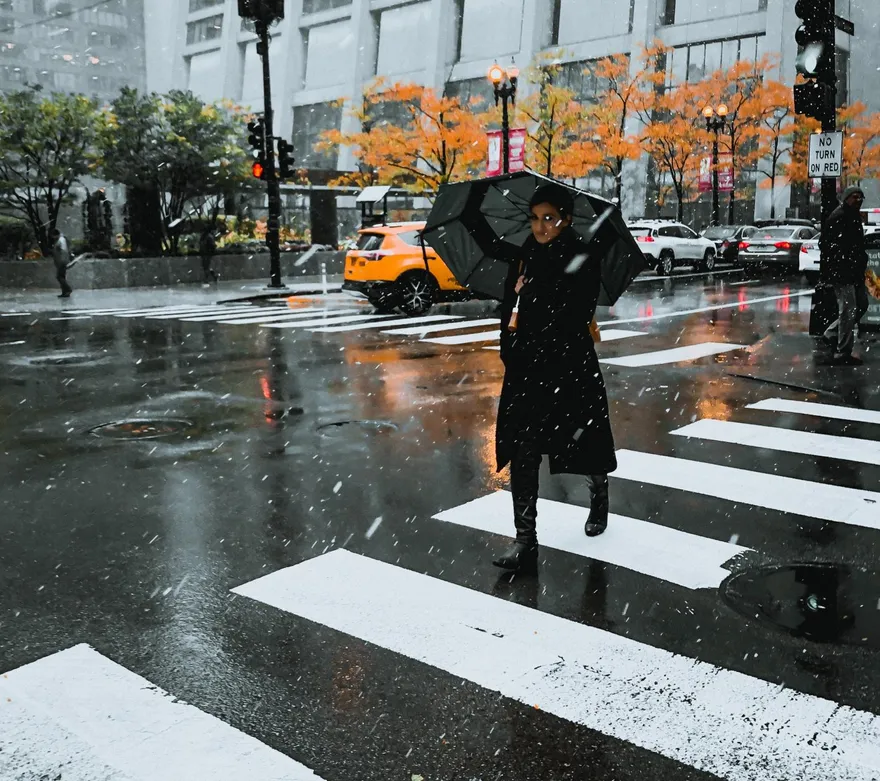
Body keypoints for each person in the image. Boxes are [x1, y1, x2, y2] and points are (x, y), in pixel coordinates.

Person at [493, 184, 617, 573]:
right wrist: (508, 338)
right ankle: (525, 541)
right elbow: (508, 310)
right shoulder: (524, 256)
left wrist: (534, 293)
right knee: (523, 451)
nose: (541, 226)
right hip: (528, 371)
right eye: (535, 218)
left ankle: (599, 492)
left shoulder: (583, 253)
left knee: (584, 445)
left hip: (568, 369)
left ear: (566, 219)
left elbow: (576, 312)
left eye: (549, 218)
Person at [821, 186, 869, 366]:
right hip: (842, 273)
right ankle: (843, 351)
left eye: (861, 197)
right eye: (855, 197)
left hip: (852, 272)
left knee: (860, 305)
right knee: (848, 310)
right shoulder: (839, 217)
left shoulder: (852, 216)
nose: (859, 200)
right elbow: (827, 245)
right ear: (846, 198)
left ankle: (832, 333)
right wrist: (840, 266)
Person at [51, 228, 73, 298]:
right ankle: (64, 292)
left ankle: (68, 289)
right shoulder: (60, 240)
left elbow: (63, 251)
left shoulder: (61, 240)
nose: (53, 238)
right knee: (62, 276)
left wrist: (63, 262)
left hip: (62, 261)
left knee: (59, 276)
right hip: (60, 261)